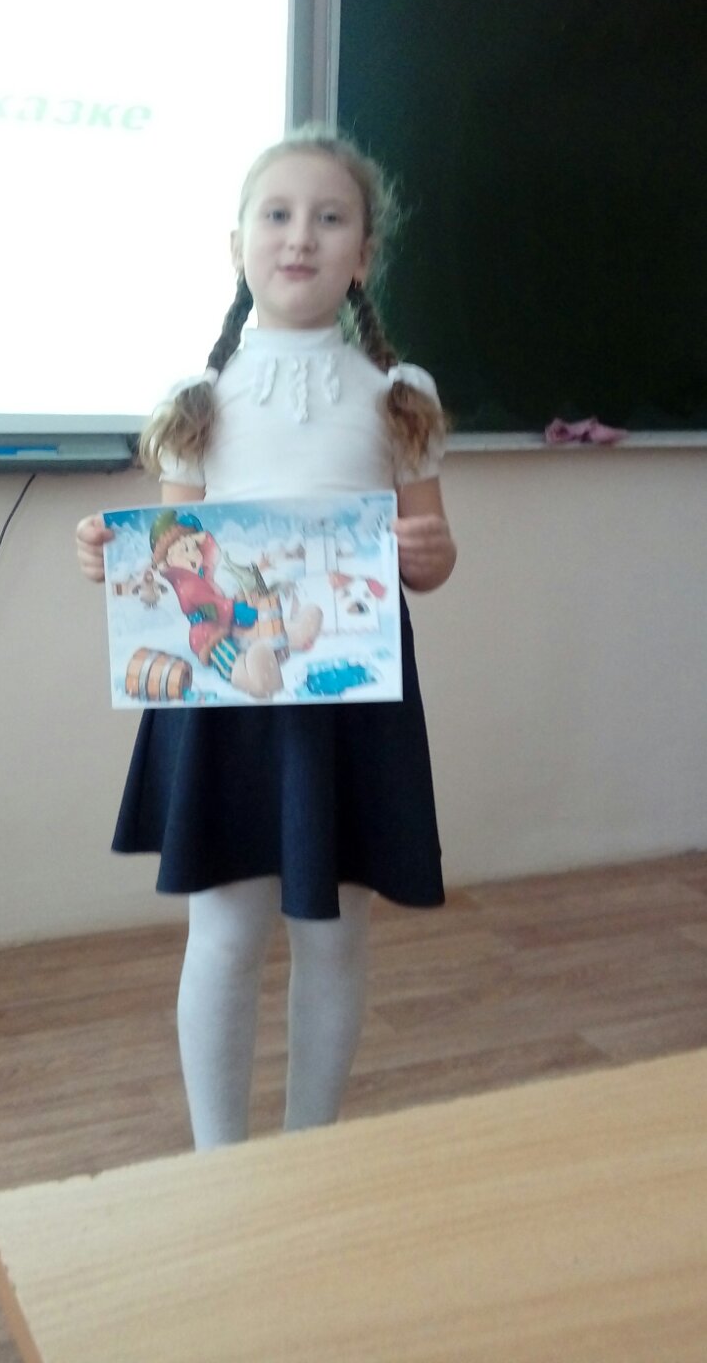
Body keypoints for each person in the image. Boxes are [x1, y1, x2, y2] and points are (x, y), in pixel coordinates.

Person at [76, 125, 457, 1150]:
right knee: (225, 929)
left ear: (362, 255)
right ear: (236, 244)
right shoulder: (196, 399)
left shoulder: (400, 394)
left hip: (351, 700)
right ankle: (219, 1161)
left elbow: (430, 555)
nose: (300, 237)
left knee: (331, 934)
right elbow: (172, 556)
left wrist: (426, 552)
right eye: (277, 215)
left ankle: (308, 1152)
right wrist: (114, 557)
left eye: (329, 219)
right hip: (227, 706)